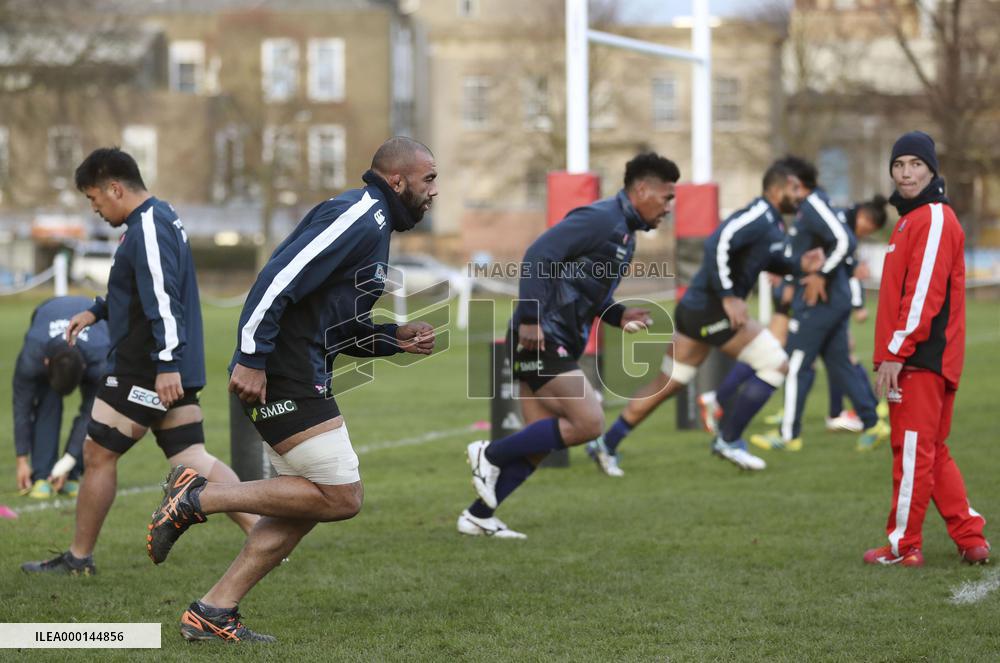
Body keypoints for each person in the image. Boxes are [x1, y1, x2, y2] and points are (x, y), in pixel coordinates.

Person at [143, 137, 439, 643]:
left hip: (299, 367)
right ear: (397, 180)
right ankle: (198, 496)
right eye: (429, 179)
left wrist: (391, 337)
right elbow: (278, 278)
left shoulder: (377, 226)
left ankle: (212, 611)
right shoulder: (360, 216)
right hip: (283, 371)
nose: (435, 191)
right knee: (343, 496)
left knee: (301, 507)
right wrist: (254, 358)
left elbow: (336, 323)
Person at [21, 148, 256, 576]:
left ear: (115, 187)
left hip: (146, 369)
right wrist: (97, 310)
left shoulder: (147, 226)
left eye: (94, 199)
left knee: (96, 454)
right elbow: (139, 289)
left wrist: (165, 363)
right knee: (192, 458)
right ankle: (266, 535)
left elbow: (164, 301)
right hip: (171, 366)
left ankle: (78, 558)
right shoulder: (159, 217)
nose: (95, 209)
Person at [461, 152, 679, 535]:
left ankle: (477, 516)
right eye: (665, 197)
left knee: (539, 441)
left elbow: (584, 290)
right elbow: (538, 256)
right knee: (589, 421)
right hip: (541, 334)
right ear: (642, 189)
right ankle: (487, 453)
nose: (668, 207)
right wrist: (530, 318)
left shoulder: (625, 234)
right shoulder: (601, 218)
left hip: (552, 336)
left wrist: (617, 315)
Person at [588, 160, 826, 474]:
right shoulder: (758, 215)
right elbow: (718, 243)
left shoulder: (773, 223)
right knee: (775, 364)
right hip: (710, 308)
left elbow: (769, 260)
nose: (800, 196)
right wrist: (729, 297)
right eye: (795, 188)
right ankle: (729, 439)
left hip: (696, 310)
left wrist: (800, 266)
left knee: (670, 382)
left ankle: (607, 443)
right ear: (779, 187)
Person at [864, 131, 989, 567]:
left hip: (921, 358)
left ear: (933, 170)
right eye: (899, 165)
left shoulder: (932, 216)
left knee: (913, 451)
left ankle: (902, 546)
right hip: (916, 356)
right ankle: (970, 536)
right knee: (933, 449)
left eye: (916, 164)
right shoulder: (911, 218)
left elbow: (923, 294)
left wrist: (896, 351)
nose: (905, 173)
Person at [749, 158, 887, 453]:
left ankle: (788, 436)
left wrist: (821, 274)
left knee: (797, 363)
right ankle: (872, 422)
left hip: (820, 302)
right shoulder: (810, 207)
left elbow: (844, 241)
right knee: (839, 362)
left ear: (795, 183)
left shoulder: (813, 205)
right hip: (828, 301)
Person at [14, 296, 108, 498]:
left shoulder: (101, 359)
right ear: (46, 362)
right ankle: (42, 475)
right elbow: (22, 406)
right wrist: (21, 459)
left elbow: (91, 414)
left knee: (98, 413)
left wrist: (69, 460)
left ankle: (70, 474)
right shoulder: (33, 355)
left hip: (96, 328)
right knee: (48, 401)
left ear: (84, 369)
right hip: (48, 309)